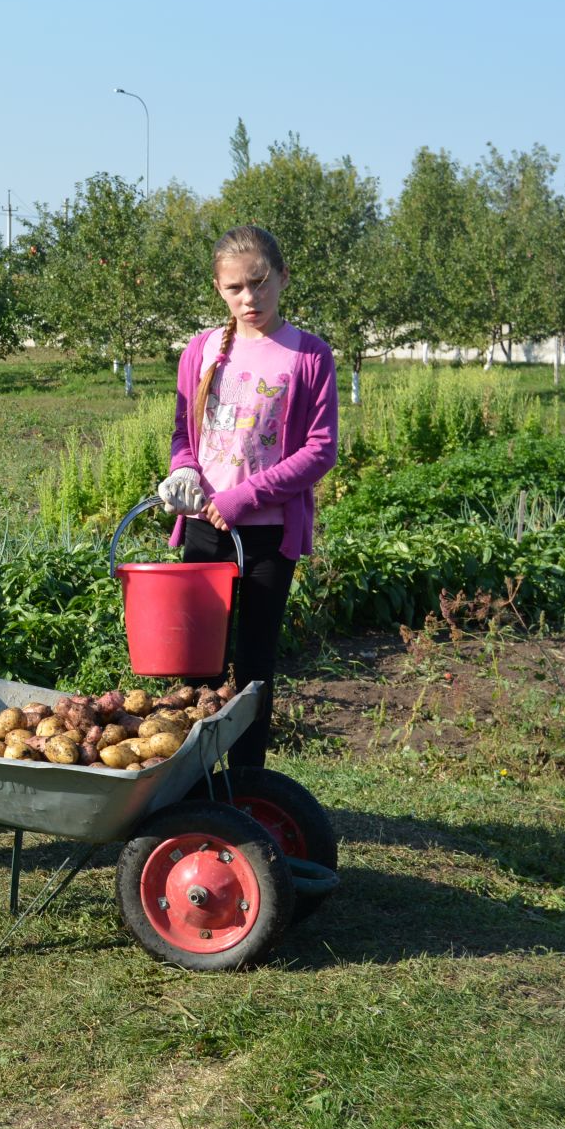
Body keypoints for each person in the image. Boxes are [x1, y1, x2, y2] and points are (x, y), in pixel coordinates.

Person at [155, 225, 339, 772]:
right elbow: (183, 435)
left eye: (259, 283)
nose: (249, 298)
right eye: (235, 288)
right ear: (219, 289)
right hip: (203, 528)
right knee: (199, 662)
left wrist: (241, 498)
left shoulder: (307, 355)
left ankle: (248, 785)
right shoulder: (202, 350)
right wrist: (182, 472)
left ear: (282, 278)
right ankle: (193, 783)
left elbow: (320, 451)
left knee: (254, 663)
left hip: (265, 534)